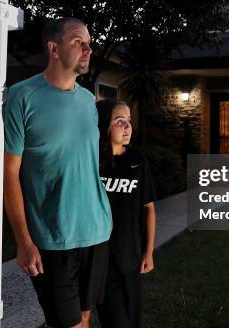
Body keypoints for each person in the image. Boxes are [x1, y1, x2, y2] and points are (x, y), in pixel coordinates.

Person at [2, 17, 112, 328]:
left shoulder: (88, 101)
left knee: (86, 318)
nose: (88, 48)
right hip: (53, 236)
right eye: (79, 41)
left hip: (97, 230)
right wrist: (23, 240)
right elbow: (9, 173)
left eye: (89, 42)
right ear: (53, 48)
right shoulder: (21, 97)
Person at [95, 99, 156, 328]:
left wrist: (148, 252)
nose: (127, 127)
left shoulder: (137, 160)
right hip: (101, 258)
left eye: (129, 121)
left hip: (130, 255)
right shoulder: (93, 162)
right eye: (119, 121)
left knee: (132, 320)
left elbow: (148, 208)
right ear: (105, 126)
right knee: (117, 322)